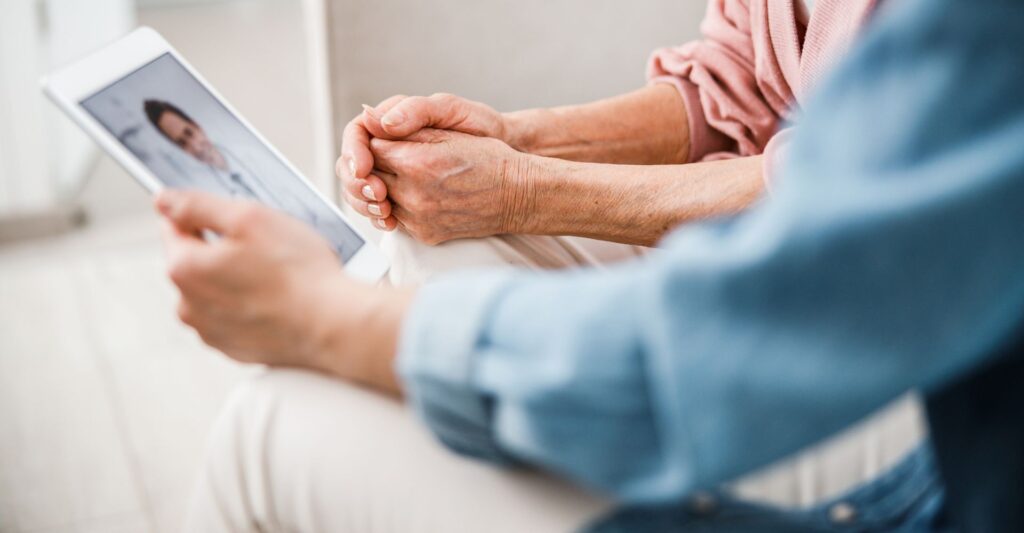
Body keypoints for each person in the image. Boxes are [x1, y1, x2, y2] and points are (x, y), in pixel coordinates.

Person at [161, 0, 1024, 530]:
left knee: (264, 432)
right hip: (834, 333)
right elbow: (742, 78)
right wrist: (520, 139)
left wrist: (320, 316)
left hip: (920, 427)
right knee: (441, 232)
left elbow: (806, 232)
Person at [144, 99, 362, 259]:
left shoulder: (253, 155)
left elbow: (310, 205)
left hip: (333, 246)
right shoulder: (211, 196)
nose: (194, 146)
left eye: (189, 133)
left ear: (197, 126)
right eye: (182, 143)